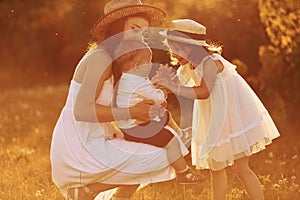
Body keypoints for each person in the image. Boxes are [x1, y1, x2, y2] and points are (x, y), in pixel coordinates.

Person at [49, 1, 187, 200]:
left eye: (142, 33)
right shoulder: (100, 58)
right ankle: (87, 191)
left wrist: (157, 94)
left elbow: (130, 101)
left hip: (102, 137)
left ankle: (117, 198)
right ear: (117, 26)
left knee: (170, 148)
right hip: (80, 144)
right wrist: (132, 112)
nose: (139, 38)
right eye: (134, 29)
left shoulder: (122, 61)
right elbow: (81, 110)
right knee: (164, 156)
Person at [154, 19, 280, 200]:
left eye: (179, 49)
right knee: (216, 167)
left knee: (240, 167)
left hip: (231, 114)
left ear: (194, 48)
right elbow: (181, 86)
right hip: (212, 116)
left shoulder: (209, 62)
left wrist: (173, 88)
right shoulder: (189, 66)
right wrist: (163, 86)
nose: (175, 54)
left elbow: (204, 92)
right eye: (172, 48)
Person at [112, 39, 206, 185]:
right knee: (169, 139)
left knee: (166, 115)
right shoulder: (137, 82)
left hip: (130, 126)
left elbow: (145, 91)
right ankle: (183, 172)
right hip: (137, 128)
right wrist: (163, 90)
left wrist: (153, 87)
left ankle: (181, 134)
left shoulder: (126, 79)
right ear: (137, 66)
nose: (151, 64)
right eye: (148, 61)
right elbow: (157, 98)